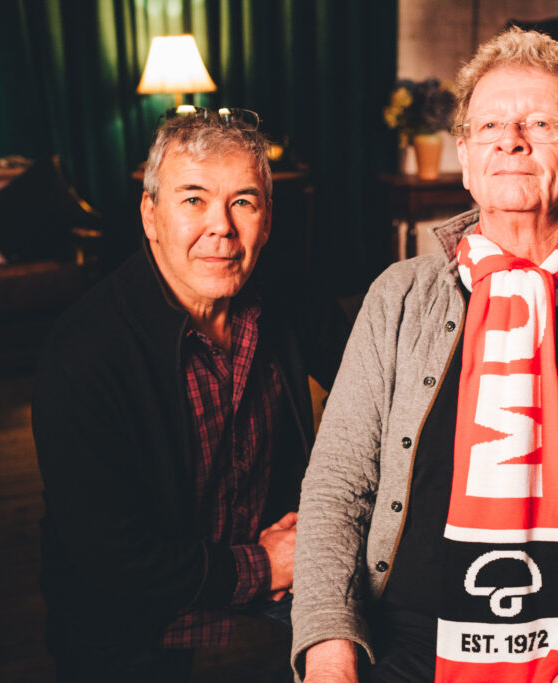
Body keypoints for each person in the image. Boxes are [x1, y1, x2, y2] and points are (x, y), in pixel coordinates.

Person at [291, 28, 558, 683]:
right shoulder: (397, 296)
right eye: (489, 124)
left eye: (540, 123)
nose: (511, 139)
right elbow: (335, 488)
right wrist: (330, 653)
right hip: (403, 649)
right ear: (466, 158)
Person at [33, 108, 349, 682]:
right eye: (194, 200)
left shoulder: (288, 298)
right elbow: (112, 559)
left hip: (273, 567)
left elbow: (378, 401)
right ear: (150, 215)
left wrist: (323, 524)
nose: (221, 227)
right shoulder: (83, 352)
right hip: (134, 616)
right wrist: (267, 563)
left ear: (267, 220)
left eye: (243, 202)